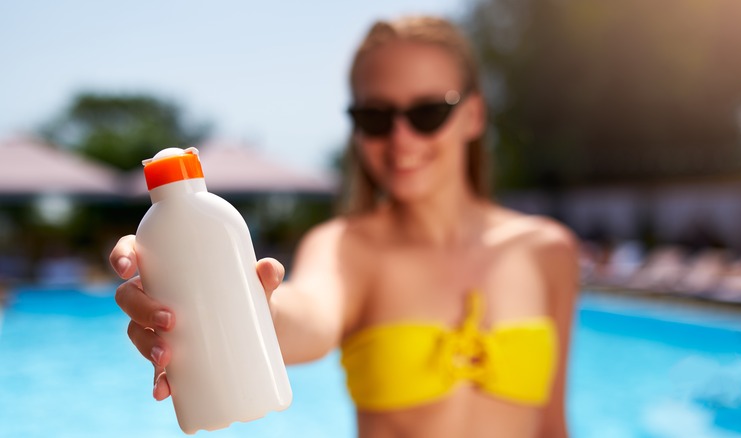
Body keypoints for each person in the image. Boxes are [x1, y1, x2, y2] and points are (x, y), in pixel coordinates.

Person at [110, 16, 579, 438]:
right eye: (375, 116)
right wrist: (236, 300)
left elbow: (553, 423)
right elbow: (305, 317)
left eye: (427, 113)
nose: (401, 138)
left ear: (473, 115)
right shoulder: (344, 248)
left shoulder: (547, 251)